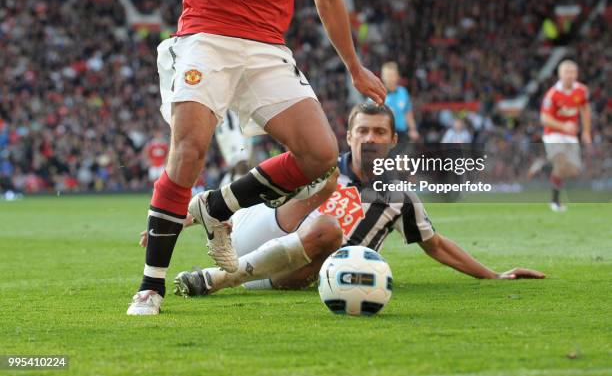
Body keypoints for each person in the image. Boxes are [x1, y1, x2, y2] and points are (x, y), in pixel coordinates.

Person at [127, 0, 386, 315]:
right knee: (189, 151)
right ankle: (150, 286)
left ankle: (217, 209)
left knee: (319, 154)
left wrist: (354, 66)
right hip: (207, 35)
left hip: (267, 47)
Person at [169, 103, 544, 296]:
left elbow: (437, 246)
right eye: (362, 131)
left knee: (332, 244)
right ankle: (219, 276)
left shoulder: (400, 196)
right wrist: (178, 217)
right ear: (348, 136)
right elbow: (251, 186)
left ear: (392, 141)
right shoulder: (316, 162)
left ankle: (217, 280)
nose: (370, 138)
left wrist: (494, 276)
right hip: (254, 235)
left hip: (288, 275)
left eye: (379, 132)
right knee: (325, 202)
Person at [539, 60, 591, 212]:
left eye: (572, 72)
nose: (570, 76)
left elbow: (585, 109)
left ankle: (544, 166)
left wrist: (586, 131)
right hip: (553, 134)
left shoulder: (582, 90)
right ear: (560, 74)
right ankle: (555, 202)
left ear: (576, 74)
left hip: (571, 136)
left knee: (574, 171)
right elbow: (544, 119)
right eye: (566, 72)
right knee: (561, 163)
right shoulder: (552, 94)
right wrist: (563, 126)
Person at [381, 61, 419, 145]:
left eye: (392, 75)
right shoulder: (377, 94)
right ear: (383, 77)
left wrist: (413, 129)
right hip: (384, 136)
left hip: (402, 135)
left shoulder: (403, 92)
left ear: (397, 76)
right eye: (387, 75)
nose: (390, 78)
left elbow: (408, 112)